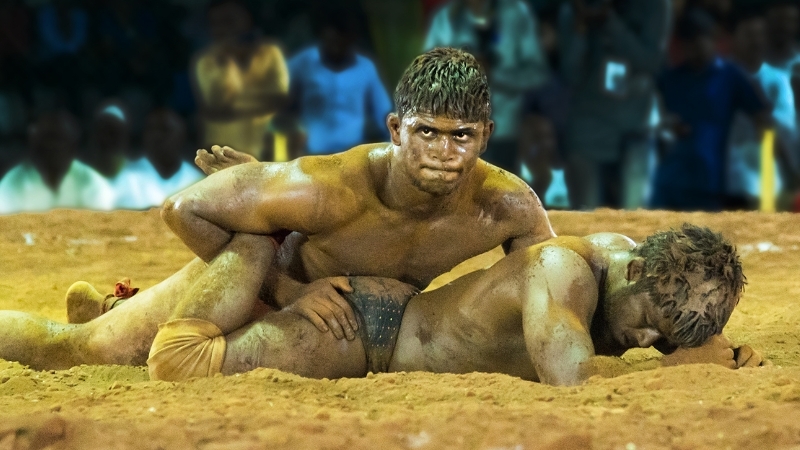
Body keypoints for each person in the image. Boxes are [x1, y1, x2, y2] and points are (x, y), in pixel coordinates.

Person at [71, 48, 554, 342]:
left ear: (486, 135)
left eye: (462, 136)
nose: (443, 152)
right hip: (260, 282)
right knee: (85, 351)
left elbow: (552, 284)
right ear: (395, 130)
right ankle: (113, 314)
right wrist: (289, 291)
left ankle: (116, 309)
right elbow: (182, 209)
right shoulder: (331, 186)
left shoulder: (508, 207)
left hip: (335, 329)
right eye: (426, 132)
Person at [0, 224, 762, 387]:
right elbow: (568, 372)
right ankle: (145, 317)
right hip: (350, 333)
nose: (643, 343)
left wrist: (680, 341)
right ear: (634, 277)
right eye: (649, 329)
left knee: (109, 337)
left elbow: (644, 327)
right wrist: (687, 366)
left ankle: (114, 305)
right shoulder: (566, 270)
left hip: (375, 314)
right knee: (139, 359)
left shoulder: (634, 260)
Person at [651, 9, 771, 211]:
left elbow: (761, 116)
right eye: (689, 42)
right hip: (668, 182)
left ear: (713, 39)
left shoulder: (730, 75)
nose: (696, 48)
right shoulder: (670, 78)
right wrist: (667, 126)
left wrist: (764, 169)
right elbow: (655, 119)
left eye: (701, 40)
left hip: (709, 183)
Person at [559, 0, 670, 210]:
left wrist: (610, 22)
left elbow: (651, 61)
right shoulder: (575, 8)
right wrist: (580, 29)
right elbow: (570, 74)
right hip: (589, 122)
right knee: (585, 217)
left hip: (637, 120)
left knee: (635, 218)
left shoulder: (654, 5)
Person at [424, 0, 549, 174]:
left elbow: (538, 73)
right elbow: (427, 77)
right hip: (456, 132)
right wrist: (465, 73)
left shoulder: (516, 14)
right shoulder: (445, 18)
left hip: (505, 131)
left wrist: (496, 75)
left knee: (500, 193)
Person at [281, 4, 393, 157]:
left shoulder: (366, 68)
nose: (335, 48)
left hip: (351, 157)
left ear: (351, 39)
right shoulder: (303, 62)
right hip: (310, 157)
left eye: (340, 42)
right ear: (322, 36)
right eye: (330, 41)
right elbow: (278, 93)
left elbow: (384, 115)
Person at [191, 0, 289, 160]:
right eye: (216, 23)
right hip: (223, 155)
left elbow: (280, 100)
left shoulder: (271, 52)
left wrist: (230, 110)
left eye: (229, 20)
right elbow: (215, 105)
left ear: (248, 18)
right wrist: (227, 60)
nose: (223, 29)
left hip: (270, 153)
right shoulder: (204, 61)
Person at [0, 110, 114, 214]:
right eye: (45, 139)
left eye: (57, 139)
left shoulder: (93, 182)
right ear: (33, 144)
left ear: (73, 145)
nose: (51, 146)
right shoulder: (12, 183)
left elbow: (102, 229)